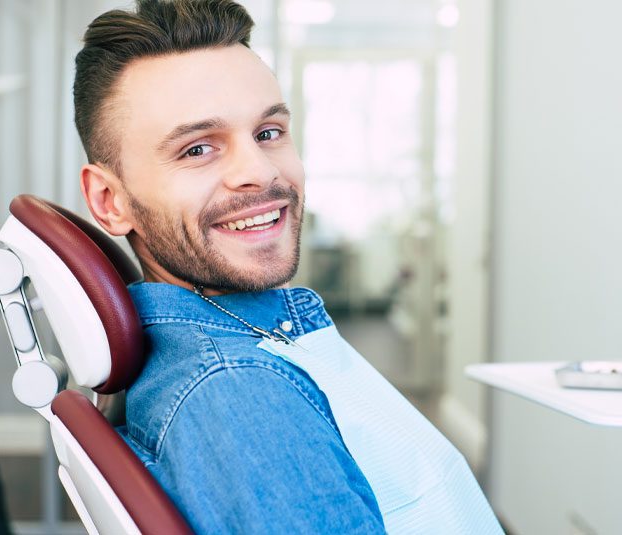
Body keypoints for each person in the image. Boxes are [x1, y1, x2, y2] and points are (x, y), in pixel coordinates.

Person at [75, 1, 503, 533]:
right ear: (110, 201)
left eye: (268, 132)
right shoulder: (238, 393)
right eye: (198, 148)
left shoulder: (249, 342)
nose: (258, 171)